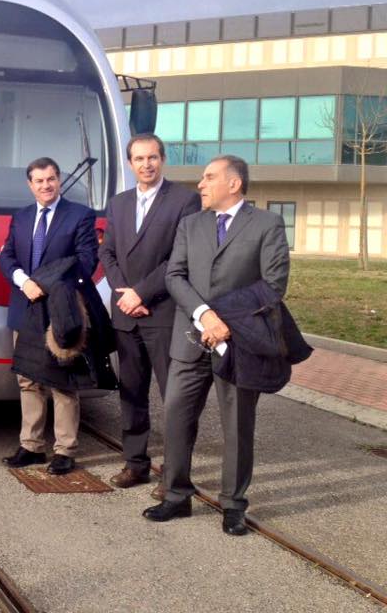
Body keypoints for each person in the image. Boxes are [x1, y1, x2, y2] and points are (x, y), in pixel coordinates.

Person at [143, 155, 289, 536]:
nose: (201, 184)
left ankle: (234, 505)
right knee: (175, 416)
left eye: (209, 177)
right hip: (190, 338)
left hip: (239, 344)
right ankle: (175, 496)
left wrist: (224, 321)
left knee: (238, 426)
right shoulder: (191, 224)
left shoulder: (267, 224)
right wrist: (205, 315)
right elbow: (175, 276)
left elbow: (273, 285)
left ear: (234, 183)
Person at [99, 134, 200, 496]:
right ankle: (135, 463)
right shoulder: (119, 203)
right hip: (126, 315)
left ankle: (174, 474)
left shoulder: (185, 200)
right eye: (139, 159)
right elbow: (107, 253)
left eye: (153, 157)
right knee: (131, 393)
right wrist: (124, 293)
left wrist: (141, 293)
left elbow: (179, 257)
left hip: (163, 313)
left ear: (162, 159)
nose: (146, 164)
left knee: (174, 396)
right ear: (130, 163)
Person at [0, 157, 100, 475]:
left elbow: (86, 262)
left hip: (60, 310)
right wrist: (22, 281)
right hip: (25, 307)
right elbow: (7, 256)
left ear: (58, 180)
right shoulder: (22, 216)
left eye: (51, 179)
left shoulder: (80, 216)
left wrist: (43, 283)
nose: (46, 185)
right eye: (39, 181)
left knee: (63, 383)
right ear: (31, 185)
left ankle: (65, 450)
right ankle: (31, 446)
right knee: (28, 379)